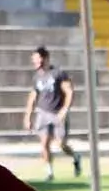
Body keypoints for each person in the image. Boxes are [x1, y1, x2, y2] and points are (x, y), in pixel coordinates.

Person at [25, 46, 80, 183]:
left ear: (46, 58)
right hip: (43, 113)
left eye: (38, 59)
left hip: (57, 113)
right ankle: (49, 172)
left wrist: (65, 109)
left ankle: (75, 157)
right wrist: (28, 116)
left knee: (61, 144)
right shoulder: (37, 77)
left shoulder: (58, 73)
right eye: (34, 60)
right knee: (44, 144)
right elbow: (33, 96)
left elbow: (69, 92)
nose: (36, 63)